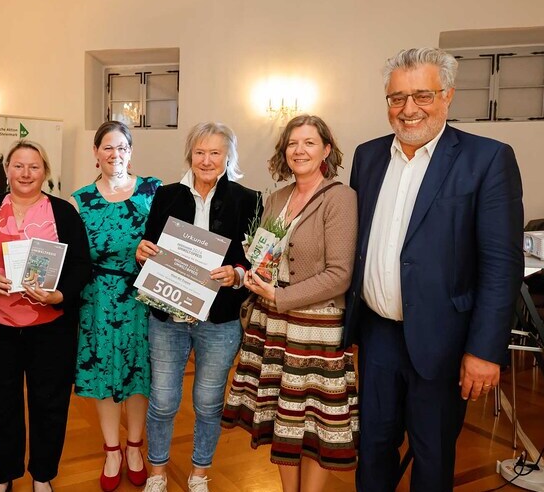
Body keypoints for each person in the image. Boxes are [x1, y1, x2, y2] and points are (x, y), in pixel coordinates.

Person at [344, 48, 524, 491]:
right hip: (377, 335)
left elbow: (501, 265)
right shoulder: (368, 157)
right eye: (397, 98)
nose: (408, 109)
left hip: (444, 341)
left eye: (422, 95)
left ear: (448, 96)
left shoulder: (486, 159)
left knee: (432, 454)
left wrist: (485, 351)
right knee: (372, 447)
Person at [222, 114, 358, 492]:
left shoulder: (340, 198)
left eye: (309, 142)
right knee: (283, 419)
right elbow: (263, 255)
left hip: (316, 330)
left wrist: (280, 296)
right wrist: (253, 274)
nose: (299, 150)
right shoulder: (277, 198)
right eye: (292, 143)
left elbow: (339, 275)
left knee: (315, 423)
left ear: (326, 150)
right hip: (273, 324)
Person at [136, 122, 261, 492]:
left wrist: (237, 273)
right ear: (190, 154)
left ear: (228, 157)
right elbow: (150, 246)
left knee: (208, 403)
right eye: (200, 152)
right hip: (167, 315)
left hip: (219, 320)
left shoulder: (248, 199)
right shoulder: (165, 195)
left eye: (215, 153)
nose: (206, 160)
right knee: (162, 400)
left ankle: (199, 473)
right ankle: (157, 473)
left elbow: (254, 261)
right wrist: (142, 252)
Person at [0, 140, 92, 492]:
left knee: (49, 403)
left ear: (45, 171)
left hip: (50, 329)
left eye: (34, 166)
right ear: (6, 169)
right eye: (18, 165)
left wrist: (59, 294)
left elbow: (81, 265)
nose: (26, 173)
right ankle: (2, 474)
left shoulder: (64, 213)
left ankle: (43, 474)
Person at [72, 121, 161, 491]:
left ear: (131, 151)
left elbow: (171, 244)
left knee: (140, 372)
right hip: (97, 300)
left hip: (143, 297)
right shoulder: (80, 200)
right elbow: (73, 256)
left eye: (122, 147)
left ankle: (135, 446)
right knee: (104, 374)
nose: (115, 154)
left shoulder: (153, 191)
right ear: (95, 153)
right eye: (107, 147)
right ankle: (112, 450)